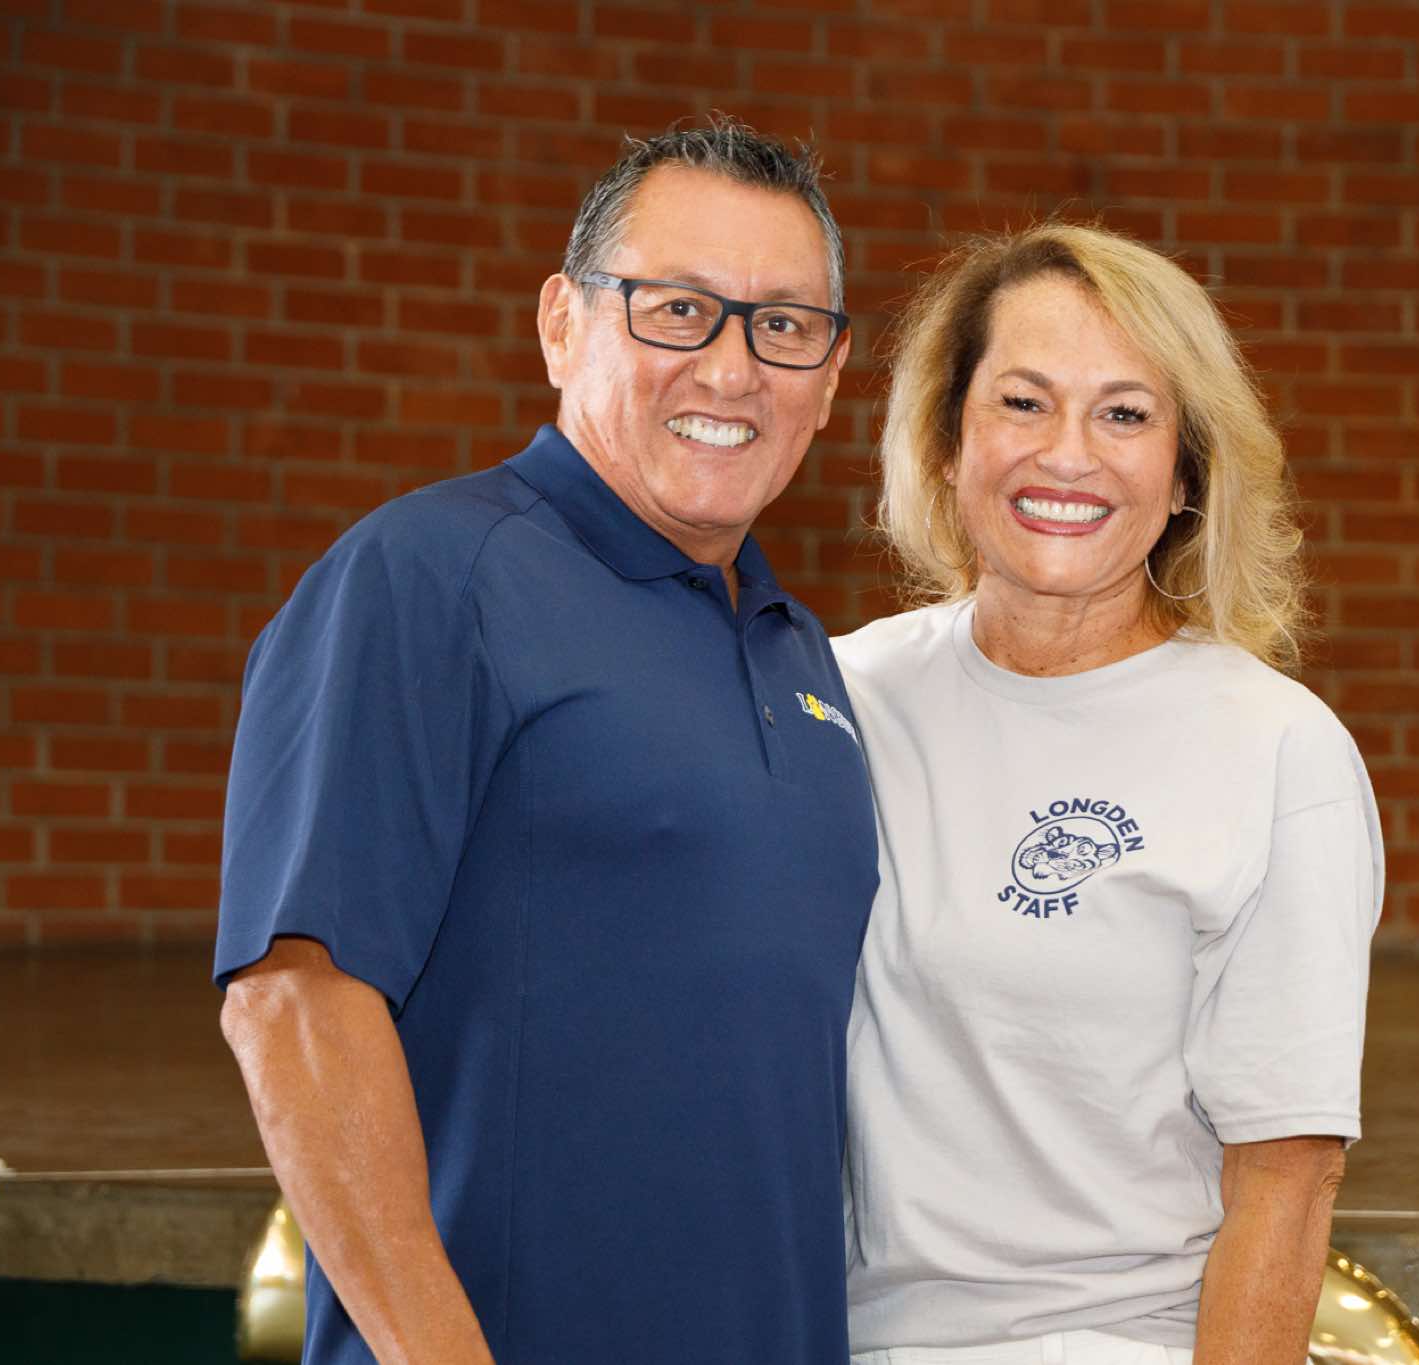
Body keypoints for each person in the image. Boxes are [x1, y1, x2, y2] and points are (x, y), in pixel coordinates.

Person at [214, 119, 877, 1365]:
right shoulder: (427, 579)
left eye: (783, 326)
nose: (731, 370)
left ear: (830, 377)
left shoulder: (801, 657)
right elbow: (294, 1002)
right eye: (677, 310)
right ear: (561, 324)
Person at [836, 223, 1384, 1365]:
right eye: (1022, 402)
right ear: (946, 439)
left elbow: (1287, 1180)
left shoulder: (1276, 752)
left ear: (1186, 473)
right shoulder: (840, 700)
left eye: (1124, 414)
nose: (1066, 454)